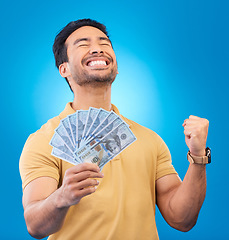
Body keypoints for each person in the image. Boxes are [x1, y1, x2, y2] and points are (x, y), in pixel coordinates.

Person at [19, 19, 210, 240]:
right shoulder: (44, 140)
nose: (97, 48)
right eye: (83, 44)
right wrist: (61, 197)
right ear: (64, 69)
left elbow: (181, 219)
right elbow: (34, 225)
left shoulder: (150, 140)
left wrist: (198, 156)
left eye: (104, 43)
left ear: (116, 67)